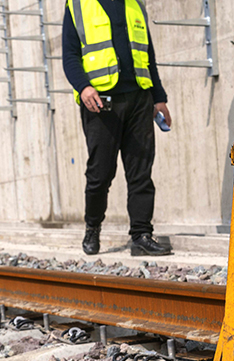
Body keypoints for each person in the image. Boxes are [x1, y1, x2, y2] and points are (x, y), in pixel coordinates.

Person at [63, 0, 172, 256]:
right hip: (101, 103)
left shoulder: (134, 4)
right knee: (100, 175)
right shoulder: (78, 5)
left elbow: (148, 55)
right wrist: (83, 86)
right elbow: (69, 55)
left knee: (141, 173)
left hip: (139, 99)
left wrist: (159, 97)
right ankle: (92, 227)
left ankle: (141, 236)